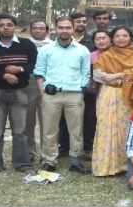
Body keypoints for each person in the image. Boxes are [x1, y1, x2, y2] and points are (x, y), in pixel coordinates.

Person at [33, 16, 90, 174]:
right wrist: (42, 93)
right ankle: (49, 160)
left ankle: (75, 160)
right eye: (61, 28)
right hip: (51, 95)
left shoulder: (82, 50)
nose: (64, 31)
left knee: (76, 129)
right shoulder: (46, 50)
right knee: (49, 130)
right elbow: (39, 73)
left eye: (67, 28)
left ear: (73, 29)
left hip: (75, 95)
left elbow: (85, 74)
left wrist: (81, 92)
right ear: (55, 29)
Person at [92, 26, 133, 176]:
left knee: (126, 129)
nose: (121, 39)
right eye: (118, 36)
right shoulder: (106, 55)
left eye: (125, 35)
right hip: (108, 96)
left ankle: (126, 165)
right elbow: (97, 75)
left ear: (130, 37)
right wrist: (120, 80)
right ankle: (106, 167)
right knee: (106, 127)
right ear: (112, 38)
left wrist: (117, 75)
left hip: (129, 97)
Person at [0, 13, 37, 175]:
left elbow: (34, 64)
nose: (6, 27)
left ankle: (22, 163)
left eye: (9, 24)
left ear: (15, 26)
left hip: (19, 92)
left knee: (20, 131)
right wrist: (4, 76)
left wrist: (19, 69)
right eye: (1, 25)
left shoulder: (26, 44)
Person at [58, 12, 95, 158]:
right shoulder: (61, 41)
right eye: (78, 21)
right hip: (66, 86)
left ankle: (86, 147)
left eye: (84, 21)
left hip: (88, 86)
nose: (81, 24)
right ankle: (64, 146)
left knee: (88, 117)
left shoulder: (92, 41)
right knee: (63, 118)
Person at [25, 19, 52, 162]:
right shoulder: (24, 45)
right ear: (30, 30)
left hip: (49, 83)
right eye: (34, 28)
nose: (38, 31)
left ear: (46, 31)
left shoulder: (53, 46)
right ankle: (29, 152)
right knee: (28, 120)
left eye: (41, 28)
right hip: (29, 84)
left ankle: (46, 153)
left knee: (47, 120)